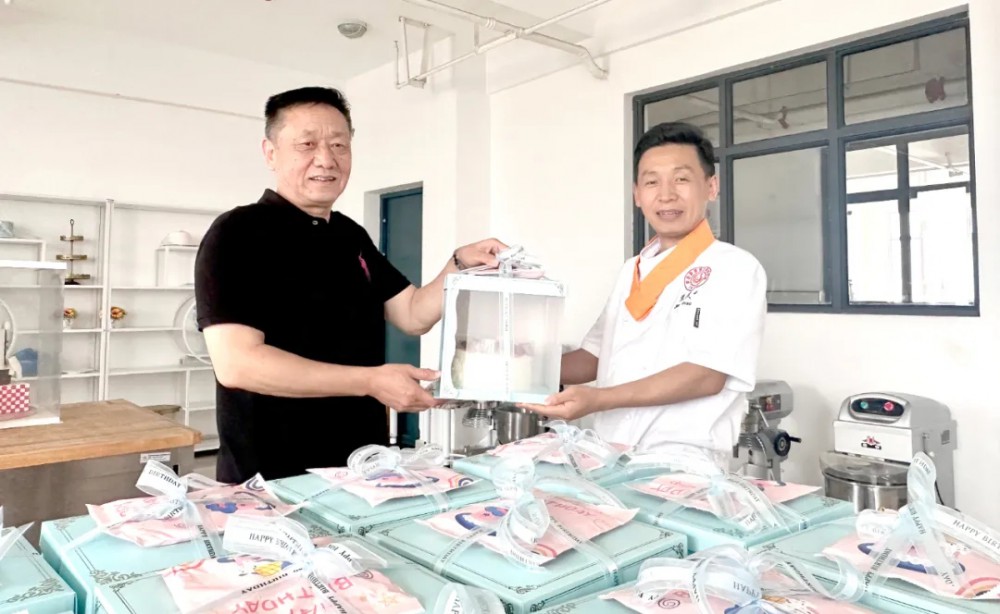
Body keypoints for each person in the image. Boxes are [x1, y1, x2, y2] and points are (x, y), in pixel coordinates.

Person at [195, 86, 506, 483]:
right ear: (270, 153)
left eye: (339, 145)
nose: (326, 159)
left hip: (360, 469)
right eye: (307, 144)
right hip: (272, 479)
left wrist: (458, 265)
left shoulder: (349, 235)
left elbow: (412, 314)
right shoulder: (238, 232)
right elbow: (238, 364)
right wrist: (371, 381)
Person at [520, 122, 767, 456]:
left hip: (683, 460)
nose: (666, 195)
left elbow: (706, 375)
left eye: (681, 179)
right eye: (652, 182)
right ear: (637, 194)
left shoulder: (734, 268)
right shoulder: (631, 270)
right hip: (611, 452)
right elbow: (594, 356)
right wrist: (518, 365)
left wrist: (599, 399)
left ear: (711, 186)